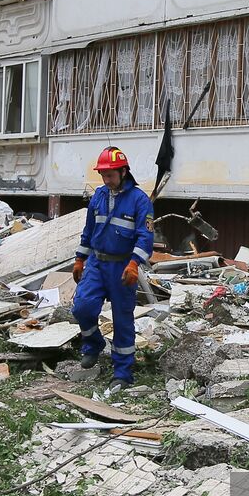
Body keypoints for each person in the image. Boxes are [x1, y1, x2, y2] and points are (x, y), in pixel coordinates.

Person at [71, 147, 154, 389]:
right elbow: (89, 232)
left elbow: (145, 238)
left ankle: (122, 374)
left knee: (122, 320)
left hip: (122, 266)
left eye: (110, 175)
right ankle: (93, 345)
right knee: (82, 307)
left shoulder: (139, 201)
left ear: (123, 172)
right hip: (97, 263)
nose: (106, 180)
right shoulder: (98, 196)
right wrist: (79, 259)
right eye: (103, 175)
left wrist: (133, 264)